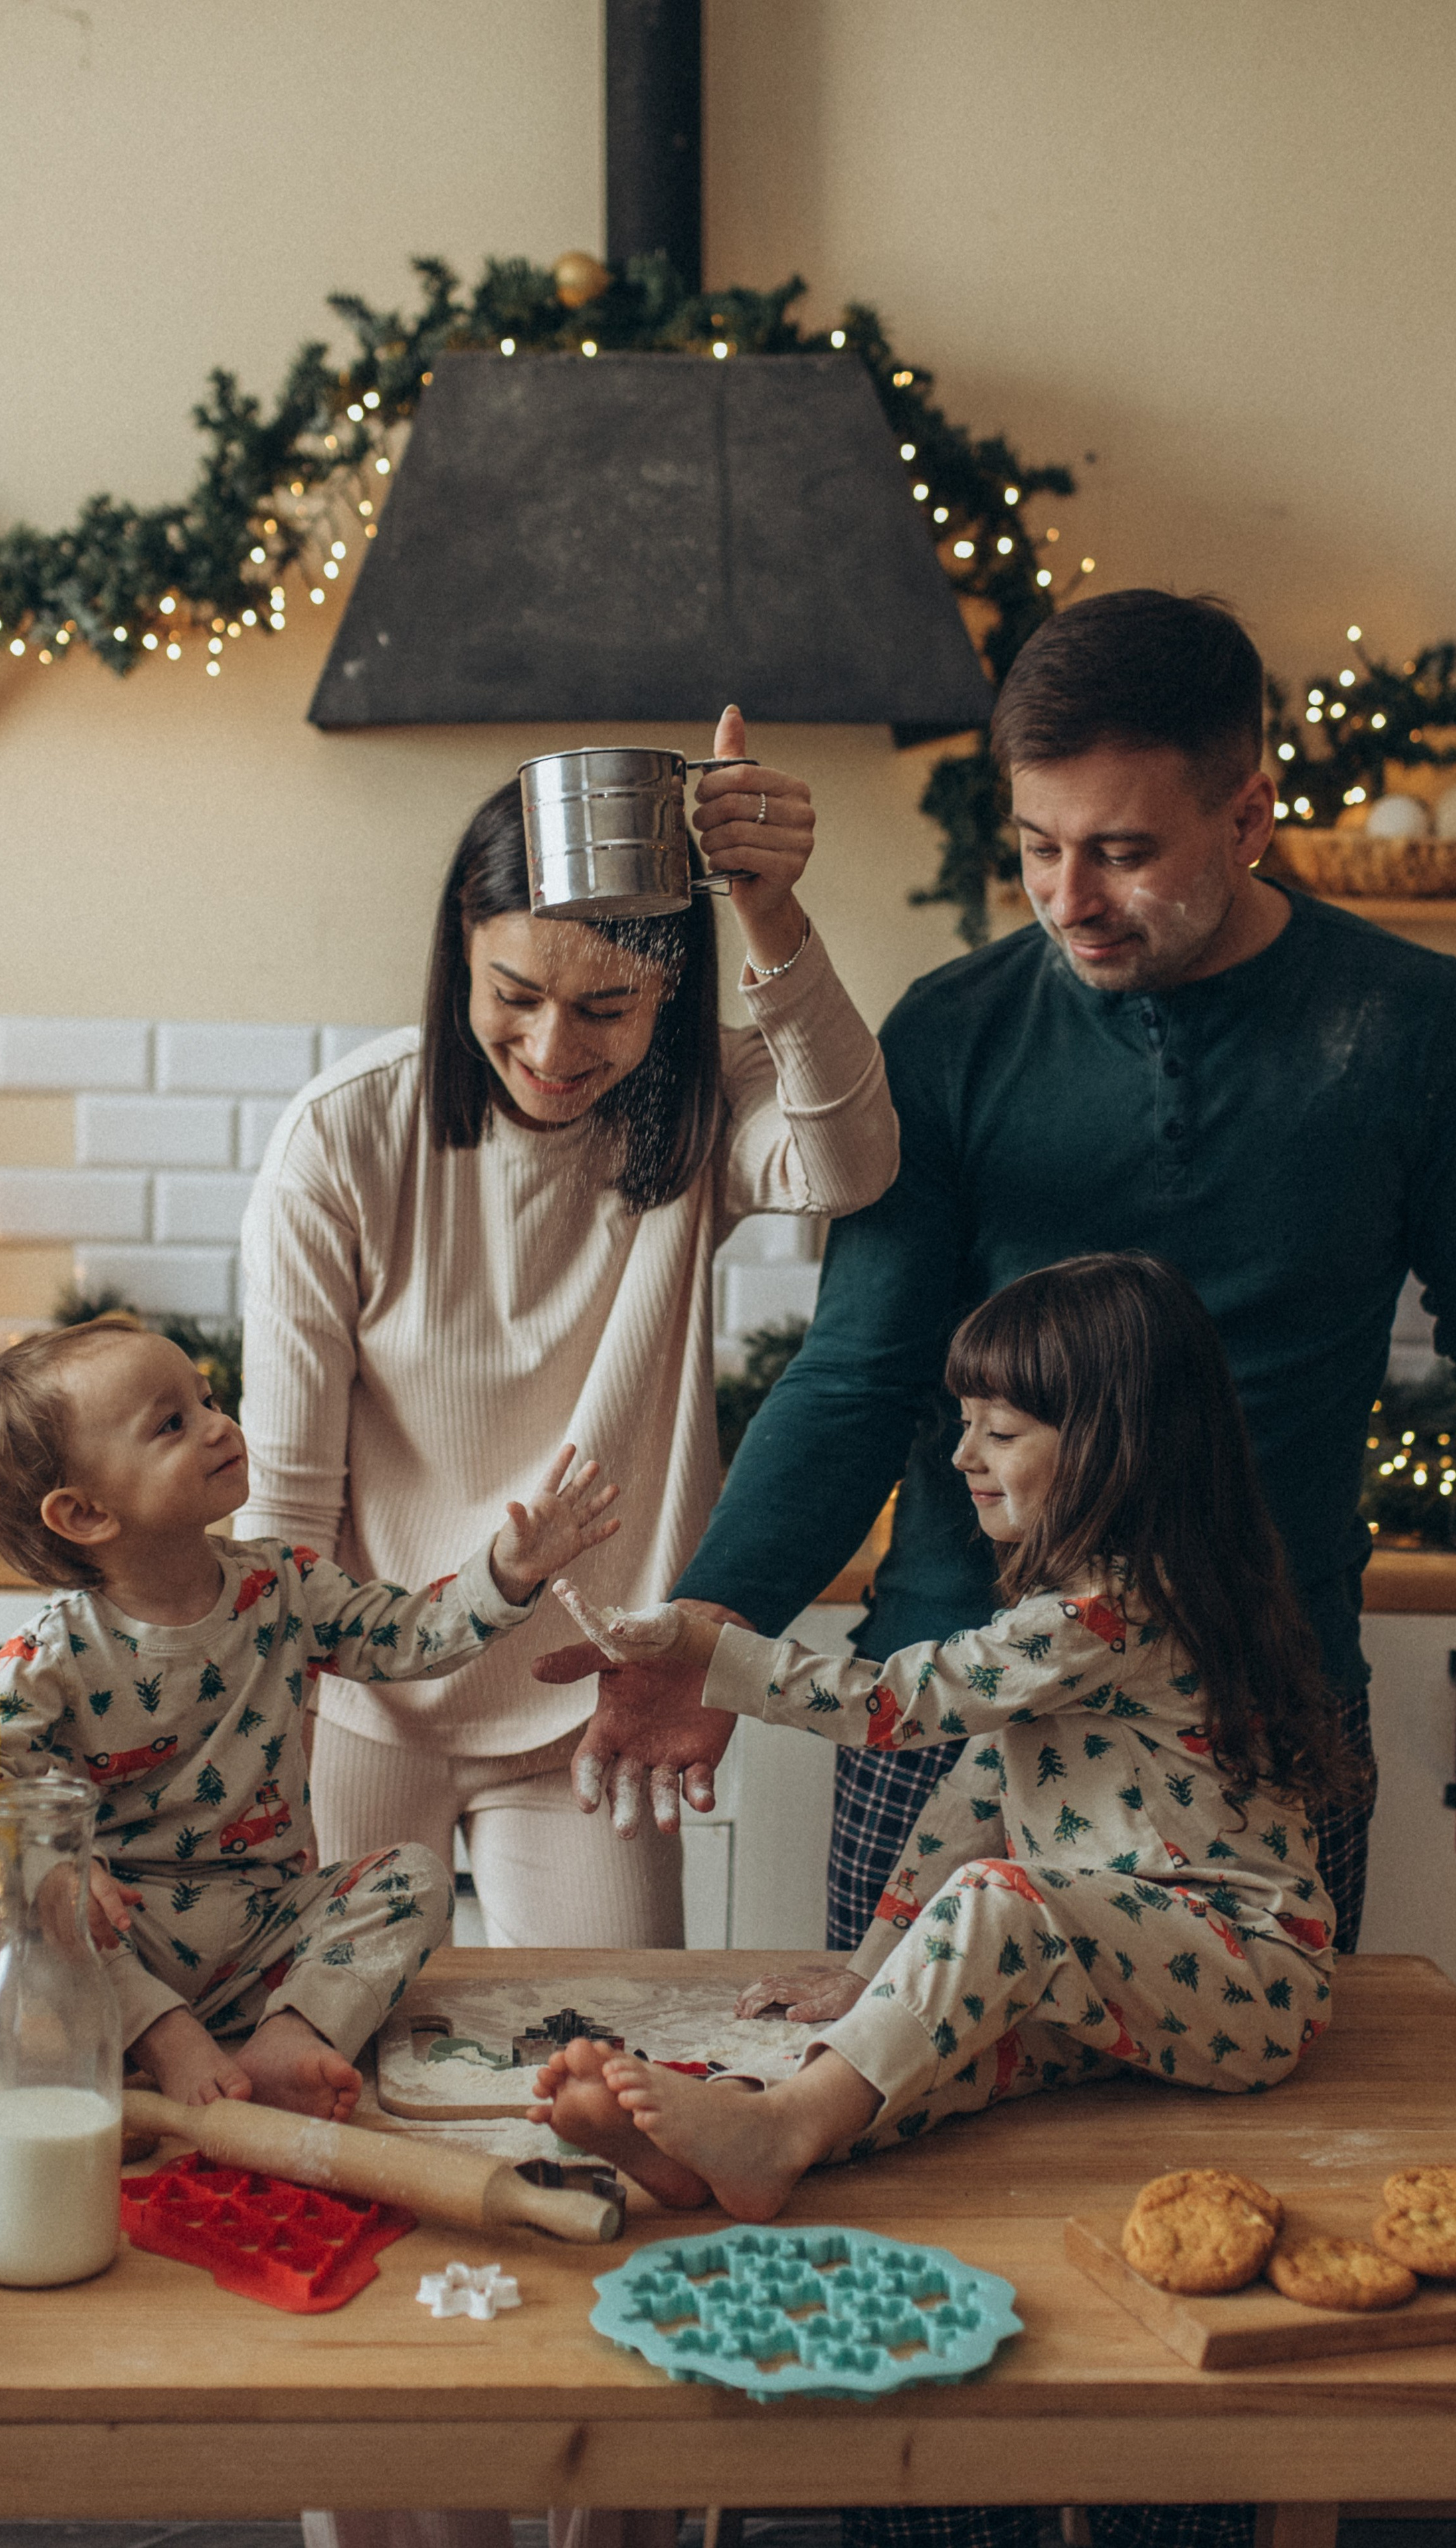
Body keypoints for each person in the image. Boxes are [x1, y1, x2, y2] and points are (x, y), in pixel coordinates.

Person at [543, 595, 1456, 2548]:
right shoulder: (954, 1036)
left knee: (1186, 2266)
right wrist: (716, 1622)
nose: (1066, 895)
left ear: (1249, 812)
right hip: (943, 1705)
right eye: (1034, 847)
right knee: (912, 2207)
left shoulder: (1404, 1022)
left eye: (1117, 849)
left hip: (1260, 1732)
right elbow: (863, 1369)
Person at [237, 708, 897, 1953]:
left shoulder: (704, 1103)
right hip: (360, 1711)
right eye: (515, 994)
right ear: (460, 961)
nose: (551, 1048)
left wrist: (768, 911)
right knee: (336, 2065)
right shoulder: (344, 1136)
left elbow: (849, 1164)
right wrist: (258, 1738)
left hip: (591, 1701)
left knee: (606, 2058)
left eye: (607, 1007)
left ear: (672, 991)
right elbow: (283, 1504)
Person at [531, 1254, 1350, 2220]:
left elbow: (893, 1705)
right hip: (1135, 1966)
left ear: (1112, 1445)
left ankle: (775, 2129)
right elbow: (970, 1799)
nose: (963, 1455)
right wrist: (868, 1973)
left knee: (998, 1900)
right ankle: (749, 2131)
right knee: (929, 2047)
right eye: (966, 1424)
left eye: (999, 1430)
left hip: (1246, 1972)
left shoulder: (1113, 1611)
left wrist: (713, 1650)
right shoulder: (1079, 1621)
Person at [0, 1319, 621, 2121]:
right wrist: (63, 1871)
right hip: (127, 1942)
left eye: (206, 1399)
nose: (218, 1424)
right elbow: (7, 1805)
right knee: (44, 1906)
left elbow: (407, 1638)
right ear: (87, 1513)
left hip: (272, 1930)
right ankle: (163, 2039)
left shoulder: (285, 1584)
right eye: (173, 1423)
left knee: (414, 1879)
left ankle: (291, 2033)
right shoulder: (44, 1660)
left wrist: (506, 1573)